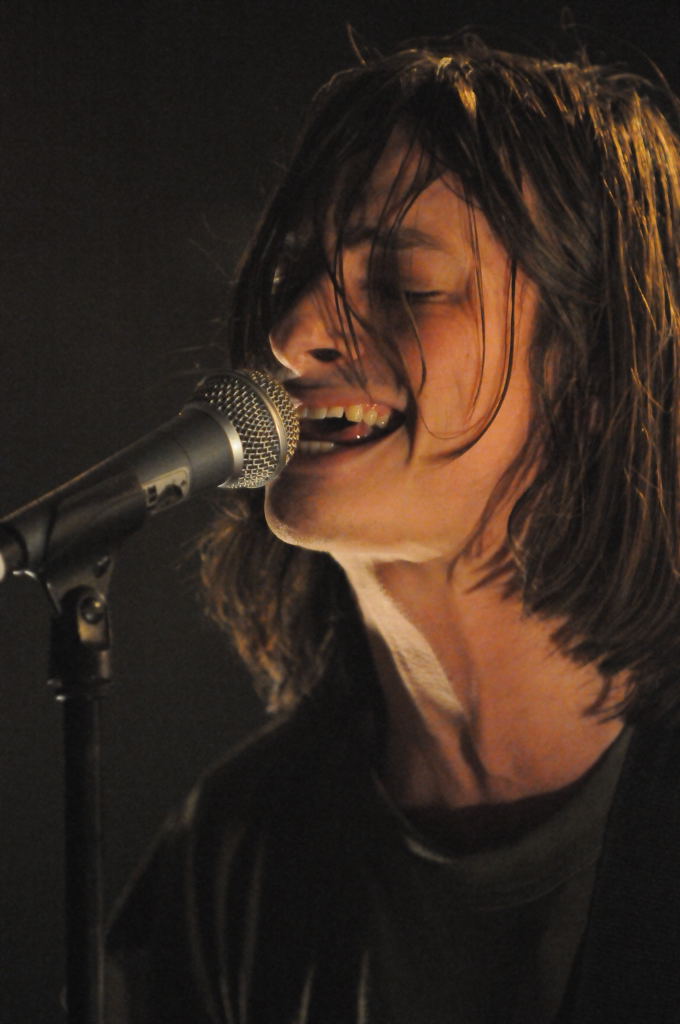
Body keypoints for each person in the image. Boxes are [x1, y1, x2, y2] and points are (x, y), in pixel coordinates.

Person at [106, 36, 680, 1023]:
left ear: (592, 373)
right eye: (291, 274)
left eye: (404, 287)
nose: (292, 334)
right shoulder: (231, 858)